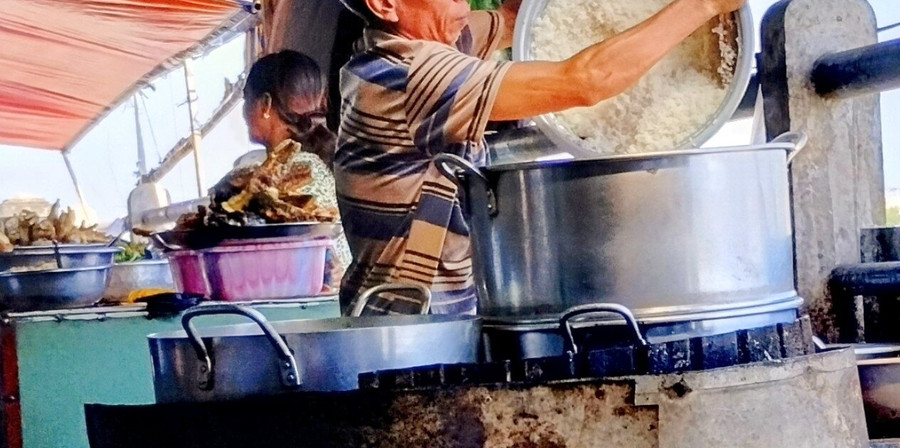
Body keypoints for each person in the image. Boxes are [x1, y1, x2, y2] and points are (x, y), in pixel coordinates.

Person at [334, 0, 747, 315]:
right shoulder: (412, 74)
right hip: (409, 323)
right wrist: (703, 5)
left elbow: (516, 18)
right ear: (385, 4)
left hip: (427, 310)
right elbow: (586, 81)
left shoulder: (420, 38)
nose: (463, 5)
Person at [238, 50, 352, 289]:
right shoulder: (316, 161)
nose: (244, 112)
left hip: (314, 308)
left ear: (265, 104)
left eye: (246, 99)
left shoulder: (295, 171)